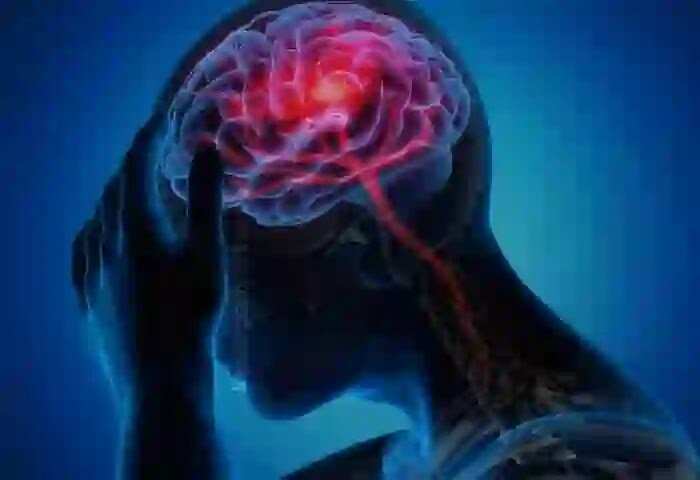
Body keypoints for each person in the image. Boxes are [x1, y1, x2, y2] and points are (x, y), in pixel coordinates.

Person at [72, 1, 699, 478]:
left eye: (210, 269)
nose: (193, 323)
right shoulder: (412, 464)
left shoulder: (591, 462)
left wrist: (164, 394)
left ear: (369, 237)